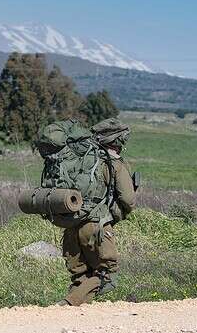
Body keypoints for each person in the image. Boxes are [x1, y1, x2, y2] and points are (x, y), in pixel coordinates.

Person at [59, 118, 136, 306]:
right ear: (118, 141)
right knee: (106, 274)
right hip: (96, 227)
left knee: (81, 276)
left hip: (71, 226)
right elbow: (128, 199)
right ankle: (67, 304)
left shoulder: (79, 161)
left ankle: (74, 315)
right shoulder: (114, 164)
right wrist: (118, 213)